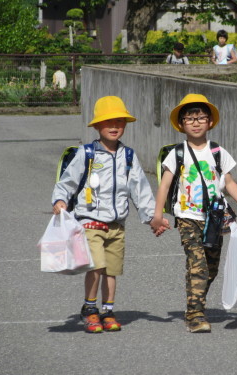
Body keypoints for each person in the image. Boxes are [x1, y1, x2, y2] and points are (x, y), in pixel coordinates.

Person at [52, 96, 169, 333]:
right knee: (96, 266)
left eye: (119, 121)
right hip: (90, 221)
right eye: (108, 122)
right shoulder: (86, 154)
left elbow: (140, 189)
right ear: (96, 126)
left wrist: (152, 218)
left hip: (117, 225)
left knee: (112, 270)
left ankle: (108, 310)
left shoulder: (128, 156)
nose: (114, 126)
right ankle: (90, 308)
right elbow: (67, 182)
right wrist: (60, 199)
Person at [150, 94, 237, 333]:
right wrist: (158, 215)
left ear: (209, 122)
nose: (196, 122)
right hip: (187, 217)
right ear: (181, 124)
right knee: (198, 265)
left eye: (201, 118)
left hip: (215, 219)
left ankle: (193, 303)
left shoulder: (218, 151)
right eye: (190, 119)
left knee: (211, 268)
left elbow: (228, 182)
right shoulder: (177, 153)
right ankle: (196, 314)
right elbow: (164, 186)